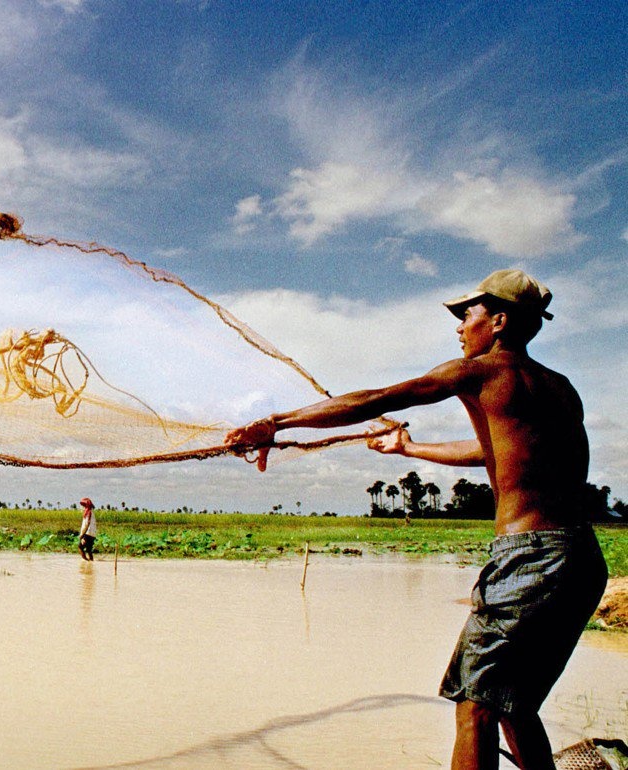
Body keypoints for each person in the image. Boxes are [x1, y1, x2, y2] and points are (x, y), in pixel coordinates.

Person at [225, 269, 607, 770]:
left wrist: (277, 423)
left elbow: (377, 399)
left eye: (466, 315)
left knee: (474, 705)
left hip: (529, 558)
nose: (458, 327)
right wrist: (409, 448)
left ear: (498, 320)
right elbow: (495, 452)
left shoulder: (482, 372)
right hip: (580, 560)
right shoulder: (560, 388)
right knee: (514, 705)